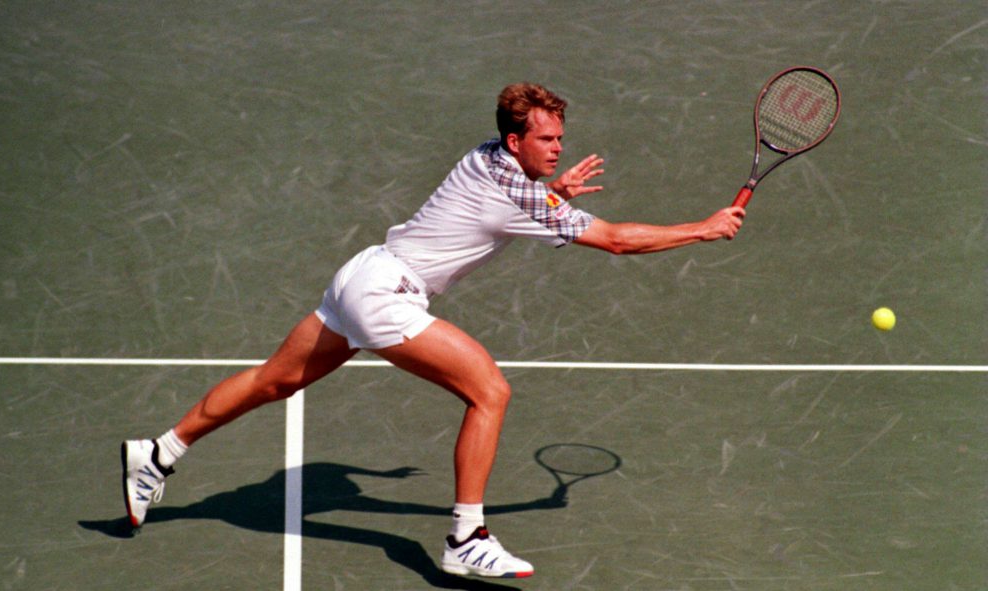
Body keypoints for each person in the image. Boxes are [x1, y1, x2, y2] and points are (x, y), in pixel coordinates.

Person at [122, 82, 744, 579]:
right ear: (514, 138)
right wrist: (703, 228)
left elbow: (516, 200)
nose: (557, 148)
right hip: (387, 296)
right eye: (547, 139)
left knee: (273, 381)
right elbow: (612, 240)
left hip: (362, 273)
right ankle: (466, 535)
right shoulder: (521, 195)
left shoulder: (485, 156)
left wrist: (551, 191)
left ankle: (158, 452)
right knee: (489, 392)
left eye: (561, 138)